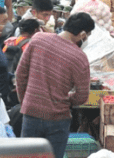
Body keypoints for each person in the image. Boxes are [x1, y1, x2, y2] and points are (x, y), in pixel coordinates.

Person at [16, 13, 95, 158]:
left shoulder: (38, 39)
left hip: (31, 113)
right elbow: (82, 96)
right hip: (58, 119)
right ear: (82, 34)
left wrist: (26, 101)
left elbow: (20, 75)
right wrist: (67, 100)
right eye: (87, 36)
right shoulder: (80, 58)